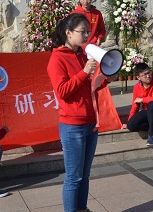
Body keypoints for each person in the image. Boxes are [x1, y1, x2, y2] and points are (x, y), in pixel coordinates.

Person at [47, 13, 117, 212]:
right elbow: (62, 91)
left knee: (85, 175)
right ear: (68, 33)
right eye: (82, 31)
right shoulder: (57, 58)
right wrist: (84, 72)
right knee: (73, 177)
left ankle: (81, 209)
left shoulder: (82, 55)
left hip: (90, 123)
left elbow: (88, 87)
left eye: (88, 31)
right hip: (73, 126)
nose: (87, 35)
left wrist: (105, 80)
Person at [123, 62, 153, 146]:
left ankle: (152, 135)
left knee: (152, 104)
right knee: (131, 126)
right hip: (148, 112)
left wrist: (142, 99)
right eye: (144, 75)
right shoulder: (137, 87)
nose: (148, 76)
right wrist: (130, 121)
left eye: (149, 72)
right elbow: (135, 105)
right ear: (138, 77)